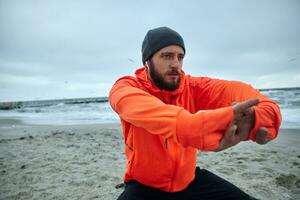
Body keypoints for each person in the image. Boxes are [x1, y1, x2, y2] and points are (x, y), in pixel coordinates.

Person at [109, 26, 281, 200]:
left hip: (189, 181)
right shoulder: (125, 89)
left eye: (180, 57)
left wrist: (257, 121)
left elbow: (255, 98)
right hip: (144, 187)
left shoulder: (193, 87)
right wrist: (214, 139)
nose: (176, 64)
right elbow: (181, 125)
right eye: (167, 56)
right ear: (147, 61)